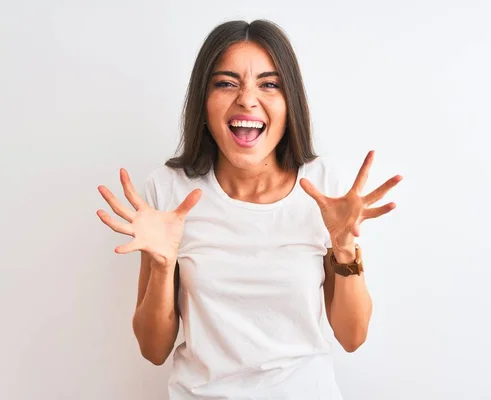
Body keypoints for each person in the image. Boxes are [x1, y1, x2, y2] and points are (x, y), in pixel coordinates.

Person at [96, 19, 402, 400]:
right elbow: (153, 349)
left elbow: (352, 337)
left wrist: (344, 248)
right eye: (226, 83)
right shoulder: (169, 189)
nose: (247, 98)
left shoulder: (323, 187)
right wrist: (162, 265)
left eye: (269, 84)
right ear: (202, 102)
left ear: (291, 102)